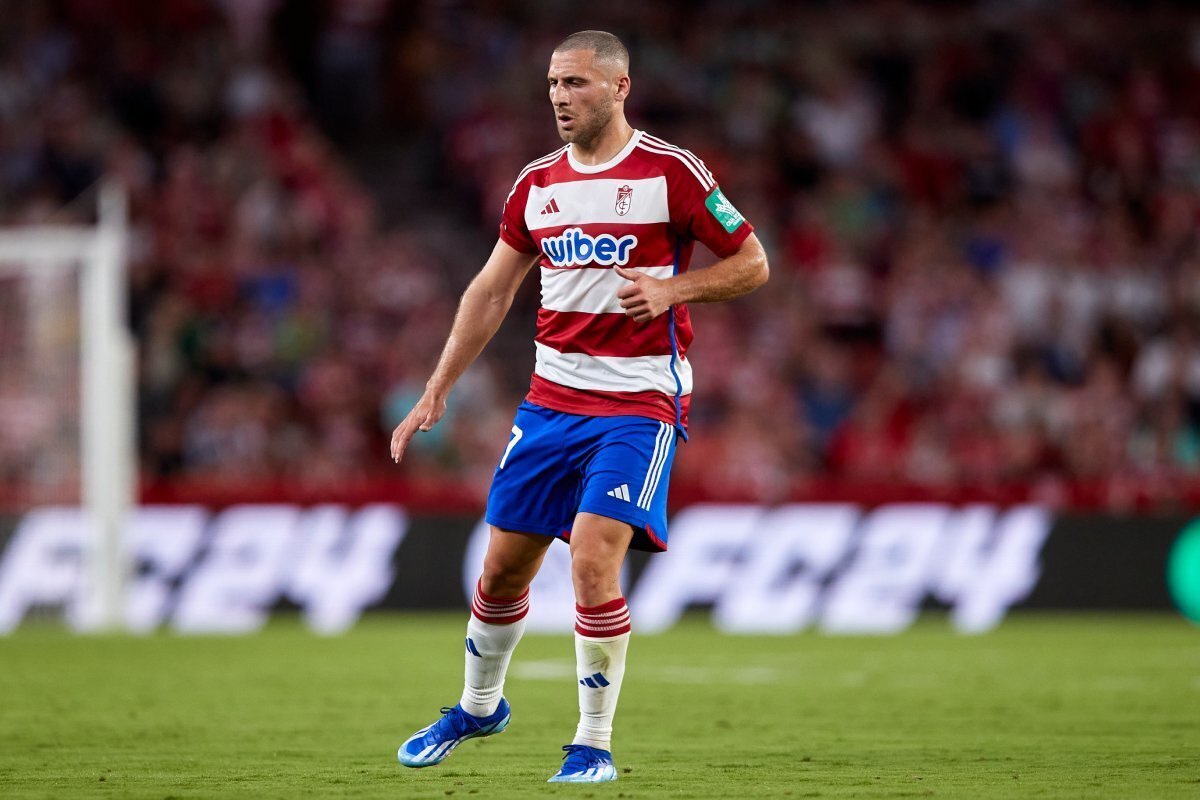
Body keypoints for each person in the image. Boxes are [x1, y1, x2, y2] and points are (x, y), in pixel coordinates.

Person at [390, 29, 768, 784]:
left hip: (638, 404)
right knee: (502, 572)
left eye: (578, 84)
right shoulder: (537, 184)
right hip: (548, 406)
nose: (561, 98)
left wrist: (672, 288)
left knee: (594, 558)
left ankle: (592, 743)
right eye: (555, 84)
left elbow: (753, 262)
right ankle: (477, 707)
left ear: (621, 88)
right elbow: (492, 289)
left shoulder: (671, 173)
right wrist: (438, 386)